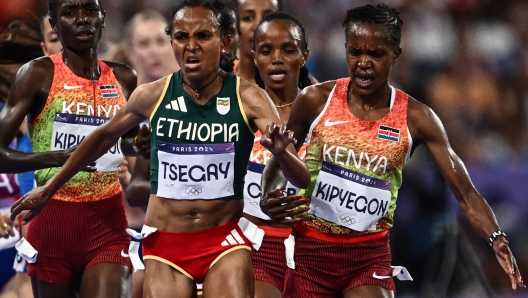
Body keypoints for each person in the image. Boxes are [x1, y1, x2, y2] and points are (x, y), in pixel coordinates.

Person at [11, 1, 310, 298]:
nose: (191, 46)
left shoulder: (249, 97)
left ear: (225, 41)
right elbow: (101, 139)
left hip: (224, 238)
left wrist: (283, 153)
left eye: (203, 36)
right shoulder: (151, 95)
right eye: (181, 37)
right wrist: (48, 188)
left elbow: (301, 178)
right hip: (165, 244)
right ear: (173, 43)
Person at [260, 4, 525, 298]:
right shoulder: (314, 100)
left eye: (375, 54)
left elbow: (466, 194)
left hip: (368, 258)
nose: (363, 63)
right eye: (355, 52)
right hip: (309, 254)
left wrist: (497, 237)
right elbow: (279, 158)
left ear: (395, 55)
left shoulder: (417, 118)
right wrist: (267, 196)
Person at [0, 0, 139, 297]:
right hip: (52, 223)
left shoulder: (125, 78)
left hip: (107, 223)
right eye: (69, 12)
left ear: (103, 18)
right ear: (53, 23)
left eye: (90, 10)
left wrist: (143, 145)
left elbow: (131, 143)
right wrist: (61, 158)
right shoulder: (36, 74)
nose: (81, 19)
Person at [242, 11, 311, 298]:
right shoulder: (236, 110)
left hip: (314, 250)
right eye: (267, 51)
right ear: (255, 57)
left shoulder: (325, 113)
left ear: (304, 55)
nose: (277, 59)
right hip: (254, 248)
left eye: (288, 49)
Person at [234, 0, 281, 84]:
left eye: (268, 17)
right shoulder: (216, 81)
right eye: (248, 18)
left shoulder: (299, 86)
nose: (258, 25)